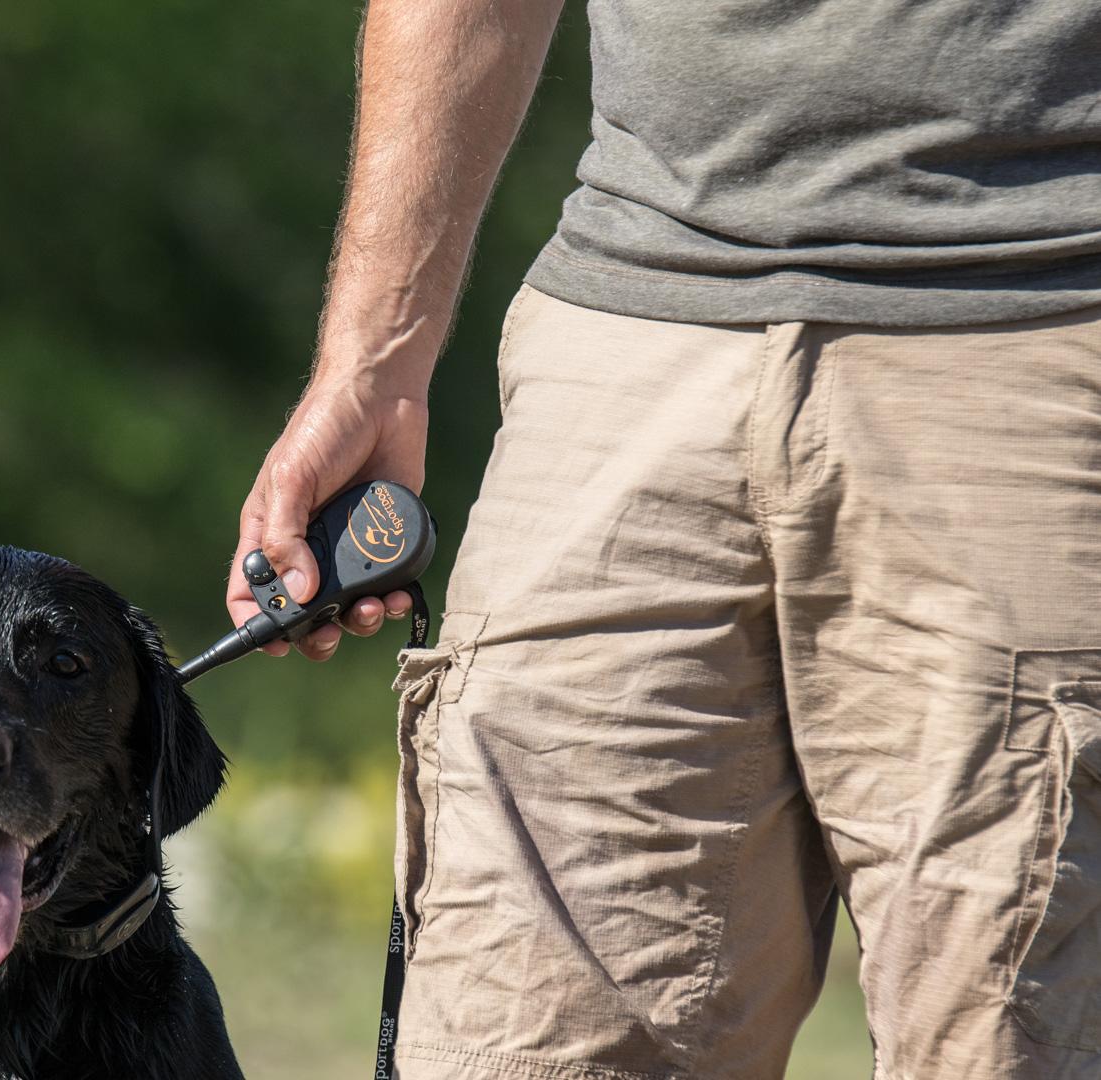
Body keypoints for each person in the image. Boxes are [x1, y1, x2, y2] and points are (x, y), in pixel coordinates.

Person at [225, 1, 1101, 1078]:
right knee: (516, 1044)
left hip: (1050, 316)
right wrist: (373, 364)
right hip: (631, 313)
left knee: (1015, 1043)